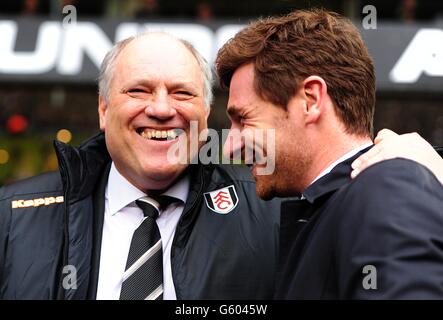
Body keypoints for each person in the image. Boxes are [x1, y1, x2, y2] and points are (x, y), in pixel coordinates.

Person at [0, 32, 280, 299]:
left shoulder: (270, 213)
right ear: (104, 109)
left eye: (182, 93)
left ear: (205, 113)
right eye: (138, 91)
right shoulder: (11, 217)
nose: (161, 109)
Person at [216, 9, 443, 299]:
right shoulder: (341, 202)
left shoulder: (386, 186)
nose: (229, 146)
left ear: (310, 100)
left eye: (244, 119)